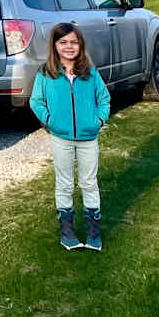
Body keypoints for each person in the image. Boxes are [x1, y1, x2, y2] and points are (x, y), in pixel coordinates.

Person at [29, 22, 111, 251]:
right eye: (63, 42)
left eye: (74, 42)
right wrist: (50, 121)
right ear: (54, 46)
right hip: (61, 138)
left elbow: (104, 99)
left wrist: (99, 121)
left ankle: (94, 234)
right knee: (64, 184)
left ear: (81, 45)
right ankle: (67, 234)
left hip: (88, 138)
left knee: (88, 182)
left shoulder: (90, 73)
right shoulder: (47, 74)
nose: (69, 47)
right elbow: (35, 101)